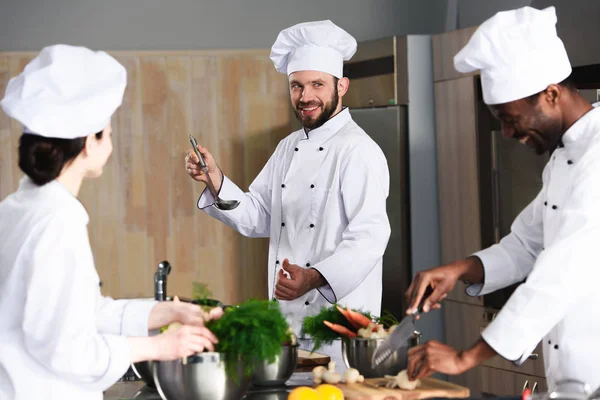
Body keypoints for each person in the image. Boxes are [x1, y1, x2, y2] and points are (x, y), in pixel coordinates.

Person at [0, 44, 221, 400]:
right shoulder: (58, 220)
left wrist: (172, 310)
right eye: (109, 131)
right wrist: (161, 347)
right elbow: (66, 350)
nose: (112, 139)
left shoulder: (16, 209)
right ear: (90, 143)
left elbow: (84, 312)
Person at [405, 6, 600, 389]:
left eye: (511, 119)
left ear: (551, 94)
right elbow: (527, 244)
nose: (508, 135)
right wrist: (460, 270)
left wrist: (465, 357)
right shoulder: (564, 158)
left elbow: (562, 271)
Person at [185, 20, 391, 365]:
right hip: (287, 327)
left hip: (338, 330)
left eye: (317, 85)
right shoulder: (288, 147)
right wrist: (216, 180)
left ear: (341, 86)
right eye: (296, 86)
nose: (305, 96)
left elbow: (370, 237)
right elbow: (259, 217)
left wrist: (312, 278)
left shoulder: (358, 151)